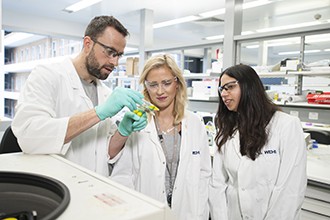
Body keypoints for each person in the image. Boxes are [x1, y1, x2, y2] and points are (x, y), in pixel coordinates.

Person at [11, 15, 147, 176]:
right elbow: (29, 136)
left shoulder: (105, 93)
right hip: (57, 187)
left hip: (93, 186)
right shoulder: (47, 75)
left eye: (119, 55)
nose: (115, 62)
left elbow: (106, 153)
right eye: (110, 52)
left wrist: (123, 132)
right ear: (87, 44)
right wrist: (97, 113)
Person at [109, 54, 212, 220]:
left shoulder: (194, 123)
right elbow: (123, 175)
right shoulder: (138, 124)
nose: (160, 91)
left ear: (177, 83)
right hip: (147, 212)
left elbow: (204, 174)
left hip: (188, 212)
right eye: (153, 84)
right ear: (146, 87)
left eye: (166, 83)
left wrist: (199, 213)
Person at [209, 64, 307, 220]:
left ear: (249, 87)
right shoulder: (226, 129)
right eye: (222, 89)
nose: (224, 94)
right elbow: (217, 183)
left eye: (230, 87)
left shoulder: (286, 125)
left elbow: (290, 188)